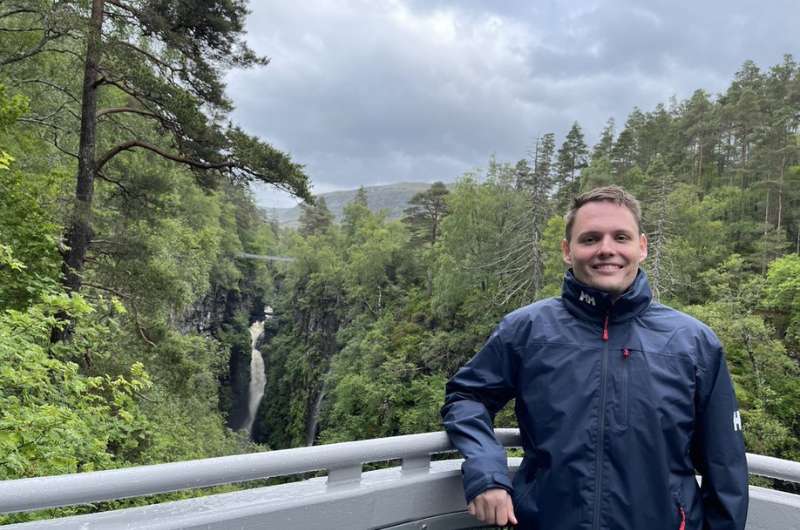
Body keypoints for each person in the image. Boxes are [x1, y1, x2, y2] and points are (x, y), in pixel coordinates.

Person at [441, 186, 748, 529]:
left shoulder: (693, 342)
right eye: (590, 239)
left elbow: (726, 468)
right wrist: (486, 467)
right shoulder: (527, 330)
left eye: (620, 237)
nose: (606, 250)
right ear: (567, 251)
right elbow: (467, 396)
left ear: (642, 247)